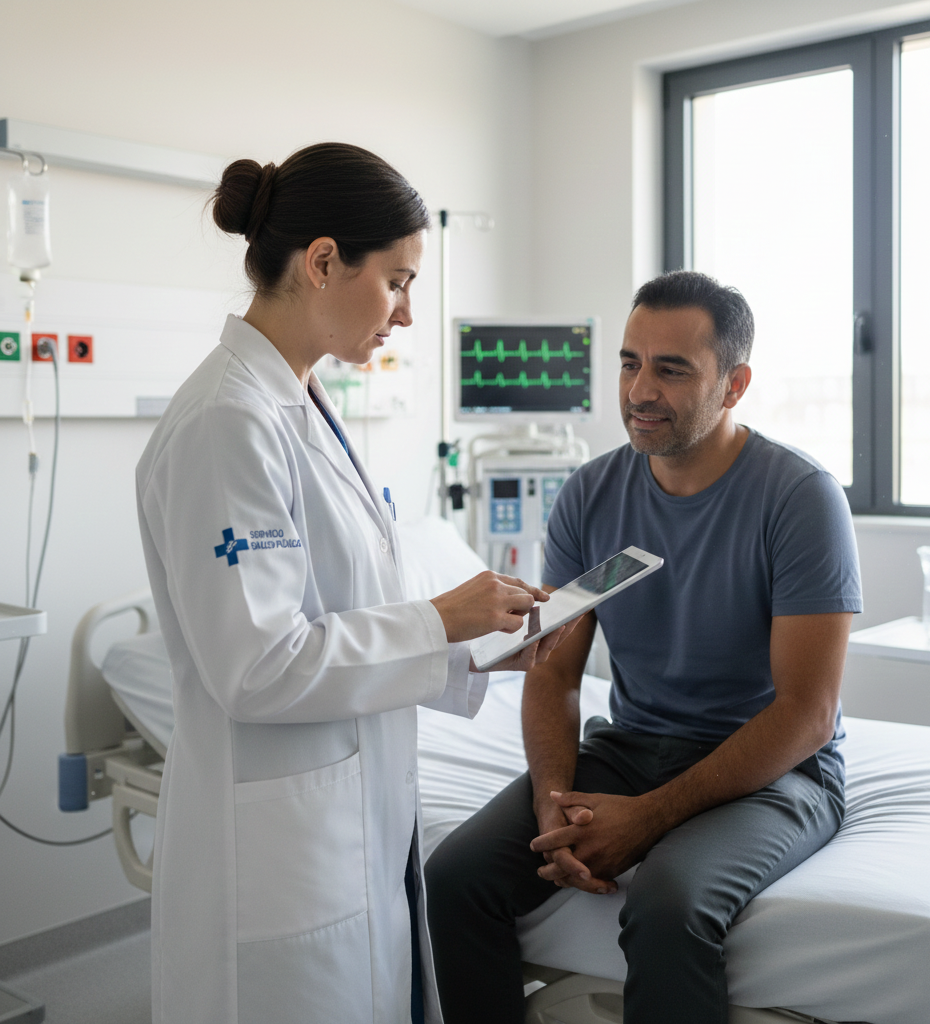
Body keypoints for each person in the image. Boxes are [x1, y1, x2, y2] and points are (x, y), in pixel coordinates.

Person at [136, 143, 571, 1024]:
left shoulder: (301, 403)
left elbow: (344, 619)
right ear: (324, 260)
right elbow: (258, 666)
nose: (407, 314)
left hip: (344, 824)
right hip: (277, 856)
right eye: (398, 281)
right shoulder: (229, 422)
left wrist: (484, 653)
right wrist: (440, 619)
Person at [426, 270, 863, 1024]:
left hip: (778, 771)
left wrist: (649, 818)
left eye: (671, 368)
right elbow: (555, 672)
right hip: (630, 746)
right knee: (456, 877)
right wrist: (552, 804)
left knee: (667, 903)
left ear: (734, 385)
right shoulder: (589, 496)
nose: (638, 390)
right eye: (629, 362)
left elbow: (807, 714)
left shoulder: (799, 500)